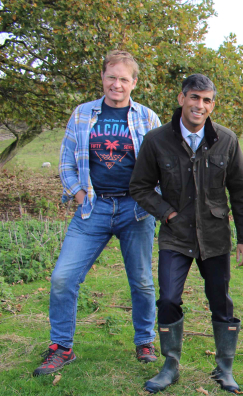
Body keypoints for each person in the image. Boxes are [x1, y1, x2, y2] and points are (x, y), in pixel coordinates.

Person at [33, 51, 160, 377]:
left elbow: (164, 165)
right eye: (111, 77)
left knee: (143, 282)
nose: (116, 84)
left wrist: (153, 203)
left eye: (123, 79)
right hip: (93, 208)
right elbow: (65, 160)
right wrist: (78, 194)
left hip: (135, 210)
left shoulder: (148, 118)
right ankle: (61, 347)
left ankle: (145, 340)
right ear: (102, 78)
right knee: (63, 277)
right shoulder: (82, 114)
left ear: (134, 82)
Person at [130, 74, 243, 394]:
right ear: (182, 98)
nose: (200, 105)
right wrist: (167, 212)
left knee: (221, 302)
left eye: (207, 100)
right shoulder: (157, 140)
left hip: (214, 236)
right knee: (168, 298)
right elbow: (140, 187)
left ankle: (224, 368)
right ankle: (170, 365)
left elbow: (241, 191)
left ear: (212, 104)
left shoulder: (226, 140)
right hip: (176, 235)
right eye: (195, 98)